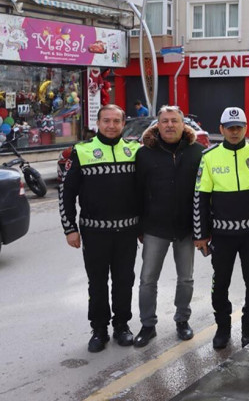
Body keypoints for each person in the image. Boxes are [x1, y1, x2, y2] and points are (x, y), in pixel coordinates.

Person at [193, 107, 249, 349]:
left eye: (239, 127)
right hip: (222, 236)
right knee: (220, 284)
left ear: (245, 128)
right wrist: (201, 234)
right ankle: (223, 328)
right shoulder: (209, 157)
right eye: (229, 127)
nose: (234, 131)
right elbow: (200, 198)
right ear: (221, 129)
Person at [59, 104, 141, 352]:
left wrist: (144, 226)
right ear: (98, 123)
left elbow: (146, 191)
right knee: (97, 283)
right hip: (94, 233)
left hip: (127, 232)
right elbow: (66, 193)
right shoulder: (82, 151)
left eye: (116, 121)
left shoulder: (135, 151)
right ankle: (99, 330)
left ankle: (122, 326)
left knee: (124, 281)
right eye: (106, 120)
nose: (111, 125)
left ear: (123, 124)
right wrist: (70, 228)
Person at [133, 106, 205, 347]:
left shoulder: (198, 152)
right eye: (165, 121)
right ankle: (147, 325)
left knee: (186, 279)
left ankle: (182, 320)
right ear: (158, 125)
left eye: (175, 121)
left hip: (186, 229)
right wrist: (139, 227)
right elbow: (137, 192)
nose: (170, 125)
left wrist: (203, 229)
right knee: (147, 280)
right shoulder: (144, 154)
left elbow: (205, 193)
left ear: (184, 125)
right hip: (155, 228)